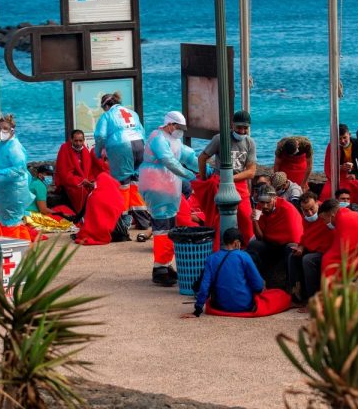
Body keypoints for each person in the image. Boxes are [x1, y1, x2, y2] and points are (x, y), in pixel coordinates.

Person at [139, 111, 199, 286]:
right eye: (179, 127)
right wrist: (190, 175)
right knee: (161, 229)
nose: (181, 131)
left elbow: (188, 156)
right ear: (170, 124)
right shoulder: (158, 138)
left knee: (169, 227)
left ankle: (164, 264)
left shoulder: (173, 140)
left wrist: (205, 169)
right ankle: (159, 270)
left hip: (168, 187)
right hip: (156, 185)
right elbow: (169, 161)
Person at [197, 110, 257, 242]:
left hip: (239, 184)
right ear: (232, 125)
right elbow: (202, 158)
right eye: (239, 127)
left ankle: (247, 250)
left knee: (246, 220)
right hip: (220, 183)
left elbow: (251, 171)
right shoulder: (220, 139)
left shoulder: (250, 143)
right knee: (217, 220)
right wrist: (203, 179)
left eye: (245, 128)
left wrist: (230, 179)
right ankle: (218, 248)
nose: (242, 131)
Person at [93, 92, 148, 229]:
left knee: (122, 184)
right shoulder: (132, 113)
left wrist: (98, 152)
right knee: (136, 183)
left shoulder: (107, 115)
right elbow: (142, 130)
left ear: (106, 105)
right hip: (140, 144)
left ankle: (122, 222)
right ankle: (143, 221)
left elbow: (100, 135)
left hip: (121, 146)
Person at [181, 228, 264, 318]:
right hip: (244, 305)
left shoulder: (211, 258)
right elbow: (258, 286)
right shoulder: (244, 256)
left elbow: (204, 287)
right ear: (237, 243)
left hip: (220, 306)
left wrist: (197, 311)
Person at [246, 185, 302, 282]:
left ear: (275, 199)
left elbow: (294, 236)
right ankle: (256, 280)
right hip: (269, 242)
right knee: (254, 245)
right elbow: (260, 237)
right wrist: (254, 221)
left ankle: (292, 285)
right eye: (262, 202)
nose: (264, 206)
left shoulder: (287, 209)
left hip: (285, 244)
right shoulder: (259, 207)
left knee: (291, 248)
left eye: (268, 203)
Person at [0, 114, 35, 241]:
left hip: (13, 192)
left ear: (12, 129)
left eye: (5, 128)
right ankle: (27, 251)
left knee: (11, 225)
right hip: (5, 192)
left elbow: (20, 169)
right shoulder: (2, 145)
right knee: (14, 224)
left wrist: (0, 172)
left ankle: (14, 253)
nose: (1, 132)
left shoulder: (14, 146)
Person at [287, 191, 333, 304]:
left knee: (308, 260)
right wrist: (301, 247)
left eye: (312, 208)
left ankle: (312, 300)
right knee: (292, 255)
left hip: (326, 250)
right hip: (312, 247)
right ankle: (296, 292)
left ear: (317, 203)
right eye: (305, 210)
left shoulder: (326, 214)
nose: (310, 213)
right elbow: (306, 235)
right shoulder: (305, 218)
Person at [319, 199, 358, 278]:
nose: (324, 223)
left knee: (328, 261)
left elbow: (341, 250)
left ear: (331, 215)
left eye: (324, 219)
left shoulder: (343, 219)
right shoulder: (346, 215)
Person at [54, 129, 95, 214]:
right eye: (76, 141)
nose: (78, 143)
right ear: (71, 140)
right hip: (71, 182)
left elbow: (89, 171)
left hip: (84, 181)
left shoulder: (85, 150)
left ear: (84, 140)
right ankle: (82, 215)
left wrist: (92, 181)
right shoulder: (64, 149)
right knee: (81, 191)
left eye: (80, 141)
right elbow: (63, 173)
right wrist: (80, 181)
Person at [323, 124, 358, 197]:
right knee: (327, 192)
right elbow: (328, 166)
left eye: (344, 137)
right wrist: (340, 167)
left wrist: (355, 175)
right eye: (339, 139)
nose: (342, 141)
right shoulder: (332, 146)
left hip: (355, 175)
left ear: (349, 135)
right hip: (339, 176)